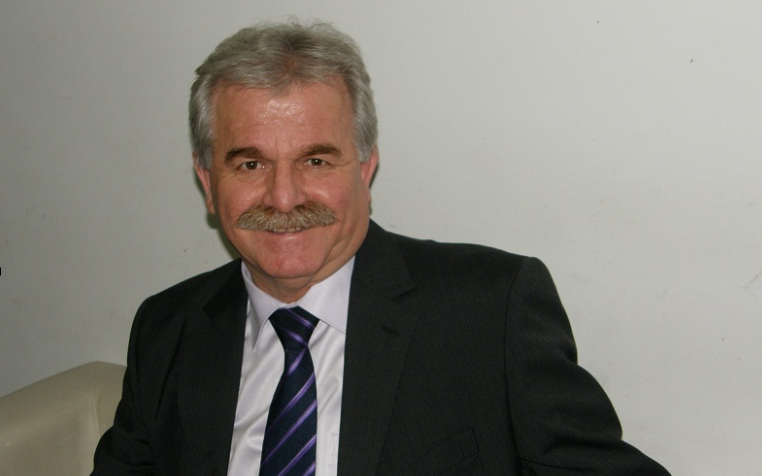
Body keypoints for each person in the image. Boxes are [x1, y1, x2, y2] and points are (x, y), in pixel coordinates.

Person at [92, 20, 670, 475]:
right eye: (250, 164)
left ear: (365, 168)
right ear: (207, 181)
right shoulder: (167, 328)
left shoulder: (490, 310)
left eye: (316, 160)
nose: (284, 196)